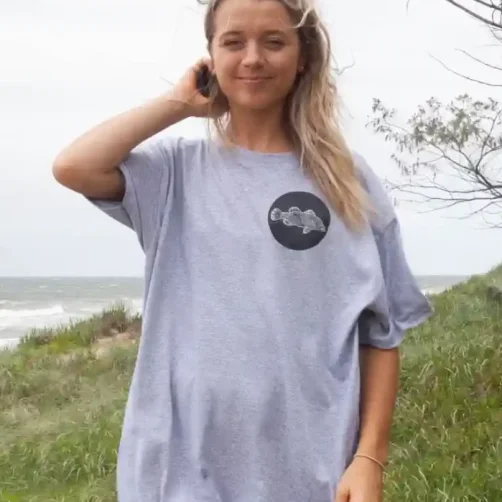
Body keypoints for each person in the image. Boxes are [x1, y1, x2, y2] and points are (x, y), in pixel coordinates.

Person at [52, 0, 433, 501]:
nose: (253, 58)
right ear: (209, 59)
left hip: (310, 469)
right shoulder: (174, 173)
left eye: (274, 41)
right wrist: (177, 104)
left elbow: (381, 334)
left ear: (303, 58)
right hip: (177, 471)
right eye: (233, 42)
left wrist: (368, 459)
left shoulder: (348, 182)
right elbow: (73, 166)